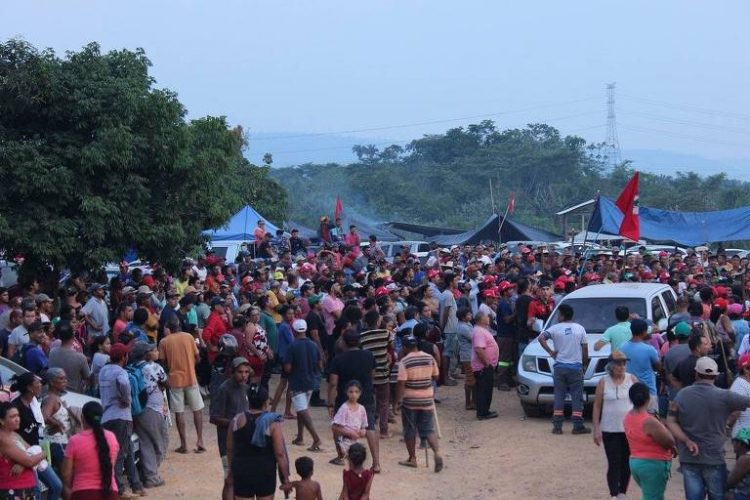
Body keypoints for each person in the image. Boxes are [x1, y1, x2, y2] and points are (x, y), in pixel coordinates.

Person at [666, 356, 750, 499]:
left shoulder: (682, 395)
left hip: (689, 458)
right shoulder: (725, 396)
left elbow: (670, 421)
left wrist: (686, 441)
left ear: (696, 373)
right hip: (714, 458)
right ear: (716, 376)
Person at [226, 386, 292, 499]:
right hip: (265, 473)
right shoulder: (272, 423)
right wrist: (285, 478)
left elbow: (230, 449)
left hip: (242, 472)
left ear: (248, 400)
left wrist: (231, 471)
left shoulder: (236, 420)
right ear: (266, 402)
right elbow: (280, 454)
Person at [327, 328, 379, 471]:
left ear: (343, 342)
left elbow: (333, 383)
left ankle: (341, 455)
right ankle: (376, 463)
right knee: (370, 427)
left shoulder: (338, 359)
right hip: (366, 395)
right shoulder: (369, 356)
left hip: (344, 398)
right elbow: (372, 375)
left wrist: (330, 403)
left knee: (338, 426)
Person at [98, 342, 143, 497]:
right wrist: (126, 398)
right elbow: (124, 383)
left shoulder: (104, 370)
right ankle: (119, 489)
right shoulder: (121, 372)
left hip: (106, 416)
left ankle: (136, 485)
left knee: (127, 450)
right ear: (124, 357)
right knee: (120, 453)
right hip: (121, 416)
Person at [537, 303, 590, 434]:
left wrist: (550, 352)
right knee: (577, 397)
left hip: (560, 367)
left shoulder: (555, 329)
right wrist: (584, 364)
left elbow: (541, 338)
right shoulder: (580, 328)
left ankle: (557, 426)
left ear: (561, 315)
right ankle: (577, 426)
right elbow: (585, 349)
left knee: (559, 396)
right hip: (575, 367)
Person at [592, 351, 638, 499]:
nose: (622, 366)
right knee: (614, 462)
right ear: (611, 366)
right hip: (609, 429)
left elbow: (640, 402)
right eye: (618, 364)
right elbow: (597, 406)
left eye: (624, 363)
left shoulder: (632, 379)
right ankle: (613, 493)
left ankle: (622, 492)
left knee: (627, 462)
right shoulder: (603, 382)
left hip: (629, 429)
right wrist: (596, 428)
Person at [11, 372, 63, 500]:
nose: (41, 385)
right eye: (37, 383)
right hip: (23, 455)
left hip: (36, 451)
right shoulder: (16, 407)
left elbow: (39, 424)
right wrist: (23, 460)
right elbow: (11, 435)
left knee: (56, 486)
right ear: (29, 387)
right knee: (36, 492)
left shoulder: (34, 403)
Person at [395, 335, 442, 473]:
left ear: (404, 347)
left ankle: (412, 458)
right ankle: (437, 453)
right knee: (428, 429)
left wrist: (398, 401)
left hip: (410, 400)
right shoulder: (429, 358)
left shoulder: (404, 361)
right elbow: (436, 376)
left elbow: (401, 383)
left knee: (410, 430)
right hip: (427, 398)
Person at [158, 316, 205, 454]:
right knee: (197, 409)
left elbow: (161, 362)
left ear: (168, 328)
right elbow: (197, 357)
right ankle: (200, 440)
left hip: (174, 380)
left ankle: (184, 444)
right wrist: (191, 365)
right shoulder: (189, 337)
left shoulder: (164, 342)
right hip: (191, 377)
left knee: (179, 412)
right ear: (179, 325)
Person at [623, 382, 675, 500]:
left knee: (652, 495)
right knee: (653, 496)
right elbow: (669, 441)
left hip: (636, 462)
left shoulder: (628, 417)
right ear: (648, 399)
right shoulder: (649, 421)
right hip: (652, 464)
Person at [61, 401, 120, 500]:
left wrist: (69, 488)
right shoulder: (112, 438)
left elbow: (66, 474)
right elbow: (110, 465)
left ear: (82, 418)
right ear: (101, 418)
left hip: (83, 494)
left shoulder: (75, 440)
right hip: (110, 493)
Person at [210, 357, 250, 500]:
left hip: (243, 440)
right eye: (240, 372)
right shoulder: (224, 389)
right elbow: (214, 417)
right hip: (227, 442)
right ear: (233, 372)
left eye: (246, 372)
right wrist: (235, 423)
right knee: (229, 479)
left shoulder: (246, 388)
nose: (244, 375)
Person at [131, 342, 168, 488]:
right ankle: (151, 475)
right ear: (146, 354)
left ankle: (147, 474)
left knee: (145, 442)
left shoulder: (132, 366)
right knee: (161, 442)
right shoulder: (153, 367)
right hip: (153, 409)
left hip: (138, 409)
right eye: (153, 350)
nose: (156, 352)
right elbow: (166, 383)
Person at [285, 319, 323, 452]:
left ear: (294, 331)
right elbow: (319, 365)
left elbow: (288, 368)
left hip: (297, 381)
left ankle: (315, 438)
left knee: (302, 410)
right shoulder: (313, 345)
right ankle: (300, 436)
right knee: (302, 409)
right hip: (310, 381)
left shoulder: (292, 346)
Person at [358, 310, 391, 438]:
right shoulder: (385, 333)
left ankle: (367, 427)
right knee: (384, 402)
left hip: (368, 374)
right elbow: (390, 347)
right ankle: (384, 431)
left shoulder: (362, 336)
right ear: (378, 321)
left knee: (368, 402)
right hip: (383, 373)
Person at [0, 401, 43, 500]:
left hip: (23, 488)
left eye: (18, 415)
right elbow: (31, 460)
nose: (17, 419)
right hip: (13, 490)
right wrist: (44, 452)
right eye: (12, 417)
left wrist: (23, 464)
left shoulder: (15, 435)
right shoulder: (3, 439)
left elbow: (33, 453)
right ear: (2, 421)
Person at [619, 319, 661, 413]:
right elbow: (659, 367)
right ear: (644, 332)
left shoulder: (622, 347)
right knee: (651, 420)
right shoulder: (649, 349)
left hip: (629, 391)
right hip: (648, 391)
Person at [41, 368, 75, 472]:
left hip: (61, 442)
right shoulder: (51, 398)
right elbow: (44, 416)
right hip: (57, 443)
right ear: (51, 382)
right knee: (66, 477)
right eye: (61, 378)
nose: (65, 381)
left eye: (65, 378)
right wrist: (58, 424)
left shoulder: (56, 397)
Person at [471, 310, 499, 420]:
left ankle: (484, 411)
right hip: (483, 367)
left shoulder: (481, 330)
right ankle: (482, 413)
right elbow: (479, 349)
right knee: (483, 389)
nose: (489, 318)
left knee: (486, 389)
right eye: (487, 316)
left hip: (485, 366)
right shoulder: (479, 331)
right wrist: (487, 364)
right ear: (481, 319)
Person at [48, 322, 90, 393]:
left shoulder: (52, 352)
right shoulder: (80, 357)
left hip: (55, 391)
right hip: (74, 394)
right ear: (73, 335)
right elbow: (88, 376)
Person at [332, 380, 368, 457]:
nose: (353, 394)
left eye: (356, 392)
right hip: (345, 441)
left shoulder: (362, 409)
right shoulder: (344, 408)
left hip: (356, 441)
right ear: (347, 392)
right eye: (351, 392)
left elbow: (364, 426)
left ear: (360, 393)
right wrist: (350, 433)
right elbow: (335, 427)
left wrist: (363, 431)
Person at [495, 280, 516, 391]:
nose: (511, 290)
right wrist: (516, 313)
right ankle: (501, 382)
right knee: (503, 360)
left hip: (507, 335)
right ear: (504, 291)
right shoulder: (503, 304)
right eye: (509, 289)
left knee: (508, 360)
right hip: (504, 336)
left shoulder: (506, 302)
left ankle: (508, 380)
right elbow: (507, 320)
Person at [456, 307, 475, 410]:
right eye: (468, 314)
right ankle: (468, 403)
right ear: (463, 318)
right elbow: (473, 338)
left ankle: (471, 402)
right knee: (470, 379)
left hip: (468, 354)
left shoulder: (465, 324)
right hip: (467, 355)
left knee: (471, 379)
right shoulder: (463, 327)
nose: (470, 315)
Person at [731, 354, 750, 438]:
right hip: (744, 432)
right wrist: (728, 426)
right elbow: (735, 412)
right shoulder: (739, 386)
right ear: (746, 369)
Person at [727, 428, 750, 500]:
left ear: (740, 443)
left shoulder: (745, 459)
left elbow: (729, 482)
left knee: (717, 493)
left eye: (734, 441)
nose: (732, 444)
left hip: (746, 495)